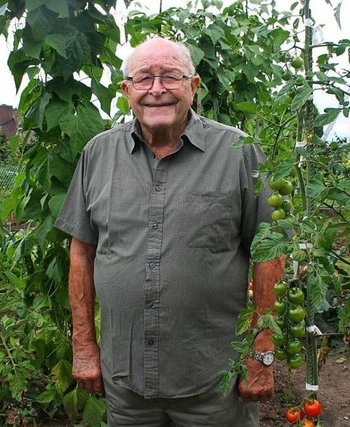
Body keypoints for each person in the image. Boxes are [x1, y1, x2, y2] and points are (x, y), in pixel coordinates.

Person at [54, 37, 285, 426]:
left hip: (215, 381)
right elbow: (82, 252)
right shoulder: (98, 154)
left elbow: (269, 252)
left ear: (193, 86)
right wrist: (83, 345)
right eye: (144, 78)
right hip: (126, 382)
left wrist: (262, 351)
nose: (156, 89)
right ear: (126, 90)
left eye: (171, 77)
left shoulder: (238, 152)